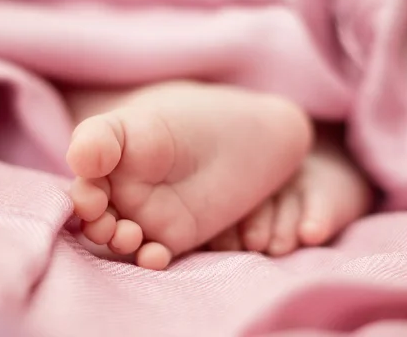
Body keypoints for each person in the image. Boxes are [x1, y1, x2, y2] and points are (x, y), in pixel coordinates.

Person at [65, 80, 372, 271]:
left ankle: (135, 107)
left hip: (105, 52)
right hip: (296, 52)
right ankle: (328, 154)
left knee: (72, 91)